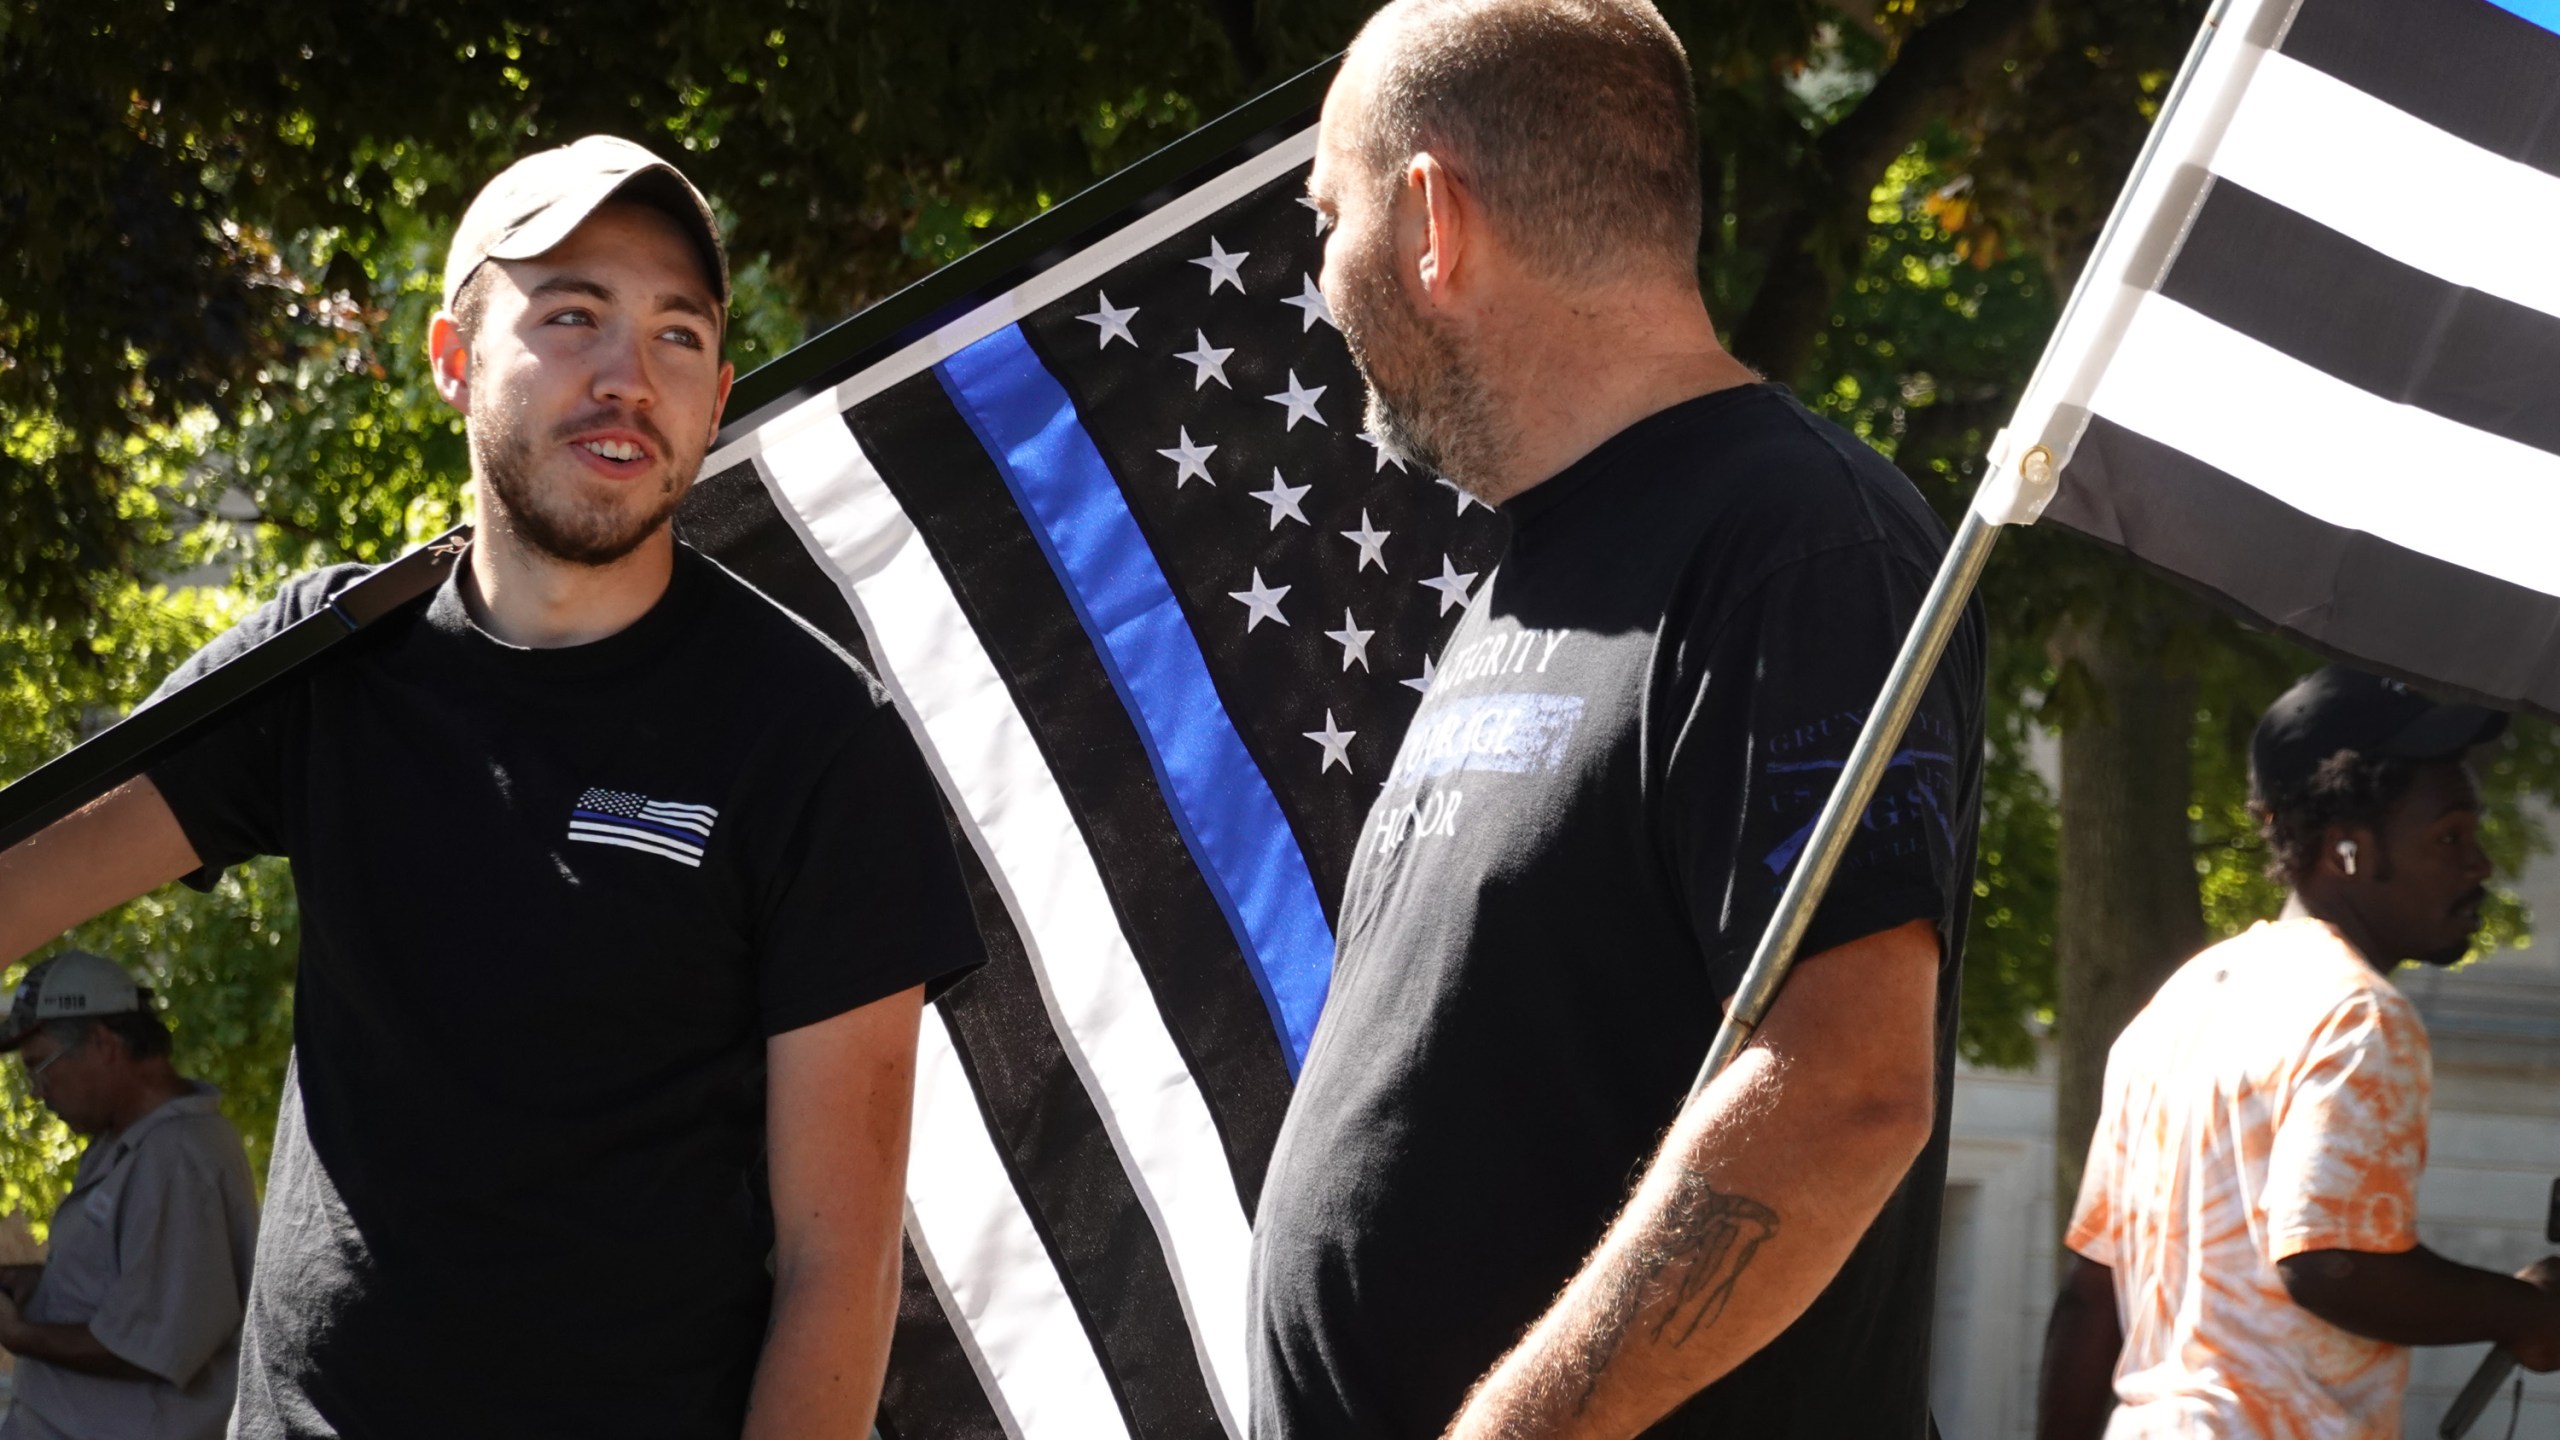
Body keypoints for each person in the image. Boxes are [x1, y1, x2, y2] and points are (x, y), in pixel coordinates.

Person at [0, 136, 986, 1439]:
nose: (629, 377)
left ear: (718, 392)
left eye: (678, 336)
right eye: (571, 316)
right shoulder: (330, 663)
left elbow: (838, 1270)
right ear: (454, 360)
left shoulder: (811, 737)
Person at [1251, 2, 1985, 1436]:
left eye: (1326, 218)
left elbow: (1846, 1084)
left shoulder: (1802, 543)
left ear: (1429, 223)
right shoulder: (1538, 571)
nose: (1318, 277)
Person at [2036, 665, 2560, 1439]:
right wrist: (2528, 1313)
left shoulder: (2180, 1004)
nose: (2478, 864)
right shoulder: (2357, 1013)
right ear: (2346, 849)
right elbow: (2328, 1263)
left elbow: (2089, 1296)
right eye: (2450, 834)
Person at [0, 951, 259, 1440]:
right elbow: (133, 1288)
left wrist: (20, 1334)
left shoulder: (179, 1156)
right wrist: (42, 1287)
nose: (36, 1092)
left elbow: (158, 1343)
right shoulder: (124, 1142)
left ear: (102, 1043)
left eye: (40, 1066)